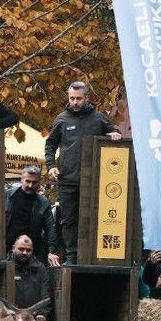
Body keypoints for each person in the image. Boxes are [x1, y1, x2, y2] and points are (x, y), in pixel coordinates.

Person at [44, 81, 121, 263]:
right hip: (67, 179)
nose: (75, 102)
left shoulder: (99, 118)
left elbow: (114, 131)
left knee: (93, 218)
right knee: (68, 219)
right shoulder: (62, 119)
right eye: (72, 98)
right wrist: (51, 165)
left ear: (87, 97)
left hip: (93, 180)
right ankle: (71, 256)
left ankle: (92, 255)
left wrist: (115, 133)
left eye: (78, 98)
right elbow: (50, 144)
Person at [5, 166, 60, 266]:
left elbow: (50, 228)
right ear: (21, 179)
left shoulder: (43, 203)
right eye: (28, 181)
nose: (30, 185)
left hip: (30, 253)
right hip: (5, 249)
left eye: (34, 182)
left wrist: (51, 251)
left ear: (39, 182)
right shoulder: (7, 197)